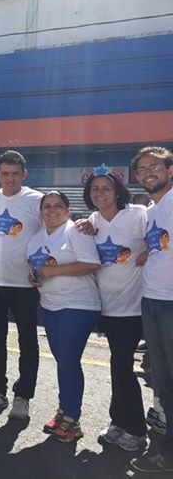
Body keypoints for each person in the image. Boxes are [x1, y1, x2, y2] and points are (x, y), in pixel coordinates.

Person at [76, 168, 148, 451]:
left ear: (118, 190)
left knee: (122, 367)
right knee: (117, 367)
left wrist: (149, 251)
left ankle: (137, 431)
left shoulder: (138, 215)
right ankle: (119, 422)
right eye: (95, 189)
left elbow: (163, 238)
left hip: (134, 308)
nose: (100, 193)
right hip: (106, 308)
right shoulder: (91, 221)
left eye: (106, 188)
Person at [27, 191, 101, 442]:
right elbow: (36, 269)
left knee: (68, 361)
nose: (52, 210)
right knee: (63, 362)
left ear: (68, 210)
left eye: (58, 206)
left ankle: (73, 419)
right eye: (47, 206)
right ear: (40, 211)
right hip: (50, 306)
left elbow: (91, 263)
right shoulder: (35, 239)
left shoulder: (76, 231)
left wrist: (53, 271)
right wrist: (34, 277)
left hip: (78, 305)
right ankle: (64, 410)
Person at [0, 150, 43, 420]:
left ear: (24, 174)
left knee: (28, 341)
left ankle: (23, 395)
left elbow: (56, 228)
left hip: (25, 285)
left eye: (16, 174)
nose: (10, 179)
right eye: (5, 174)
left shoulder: (36, 200)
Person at [129, 147, 173, 473]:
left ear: (169, 170)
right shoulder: (152, 211)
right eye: (142, 169)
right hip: (152, 301)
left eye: (154, 166)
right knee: (160, 380)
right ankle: (163, 451)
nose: (147, 173)